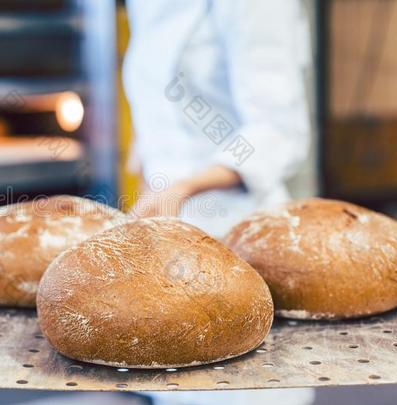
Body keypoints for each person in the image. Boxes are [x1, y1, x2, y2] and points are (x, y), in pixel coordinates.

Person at [123, 0, 314, 404]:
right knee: (173, 386)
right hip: (166, 235)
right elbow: (163, 96)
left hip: (241, 236)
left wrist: (185, 186)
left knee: (237, 387)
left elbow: (277, 131)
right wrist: (145, 152)